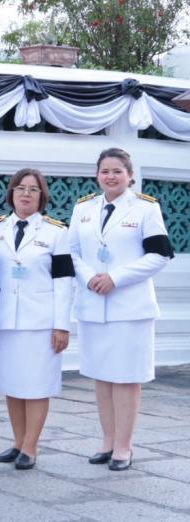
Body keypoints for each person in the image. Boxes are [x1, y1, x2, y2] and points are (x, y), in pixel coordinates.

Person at [69, 148, 173, 471]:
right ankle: (107, 441)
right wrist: (89, 279)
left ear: (130, 175)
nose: (110, 176)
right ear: (97, 174)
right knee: (102, 377)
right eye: (105, 171)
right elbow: (71, 251)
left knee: (127, 378)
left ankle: (124, 447)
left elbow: (159, 255)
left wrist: (116, 278)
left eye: (117, 171)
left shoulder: (145, 209)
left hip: (129, 308)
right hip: (93, 303)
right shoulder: (83, 208)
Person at [0, 168, 74, 471]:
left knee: (36, 384)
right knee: (12, 383)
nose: (25, 194)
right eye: (20, 188)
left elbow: (64, 282)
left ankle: (31, 446)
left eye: (33, 189)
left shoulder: (56, 232)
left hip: (40, 322)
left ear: (42, 196)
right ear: (11, 193)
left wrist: (62, 325)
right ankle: (18, 441)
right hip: (4, 317)